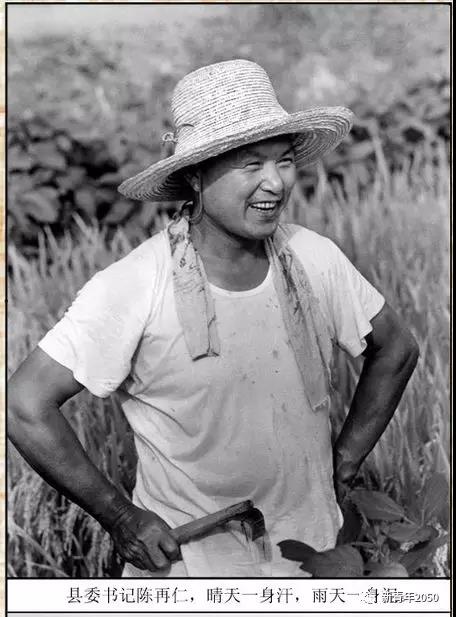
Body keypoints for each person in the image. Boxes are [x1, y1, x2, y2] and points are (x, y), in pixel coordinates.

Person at [8, 59, 419, 577]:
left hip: (310, 559)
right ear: (195, 176)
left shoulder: (314, 259)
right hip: (188, 573)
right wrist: (120, 517)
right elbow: (25, 403)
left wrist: (345, 460)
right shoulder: (136, 284)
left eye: (284, 161)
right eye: (251, 165)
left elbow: (397, 348)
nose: (275, 183)